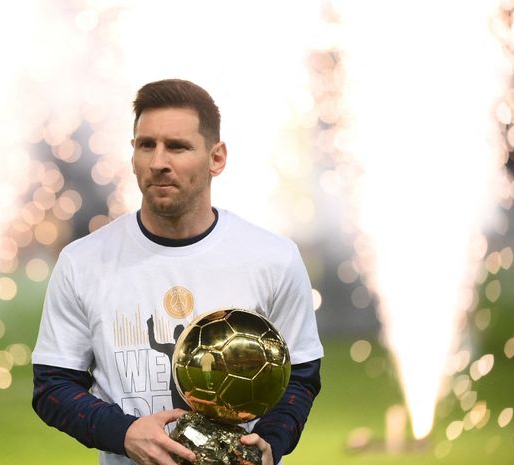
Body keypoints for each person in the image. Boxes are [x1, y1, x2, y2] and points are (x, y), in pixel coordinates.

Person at [32, 78, 323, 465]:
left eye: (178, 147)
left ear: (216, 158)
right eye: (145, 145)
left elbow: (300, 375)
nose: (158, 162)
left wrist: (271, 443)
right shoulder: (83, 262)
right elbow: (53, 385)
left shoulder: (274, 258)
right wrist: (124, 433)